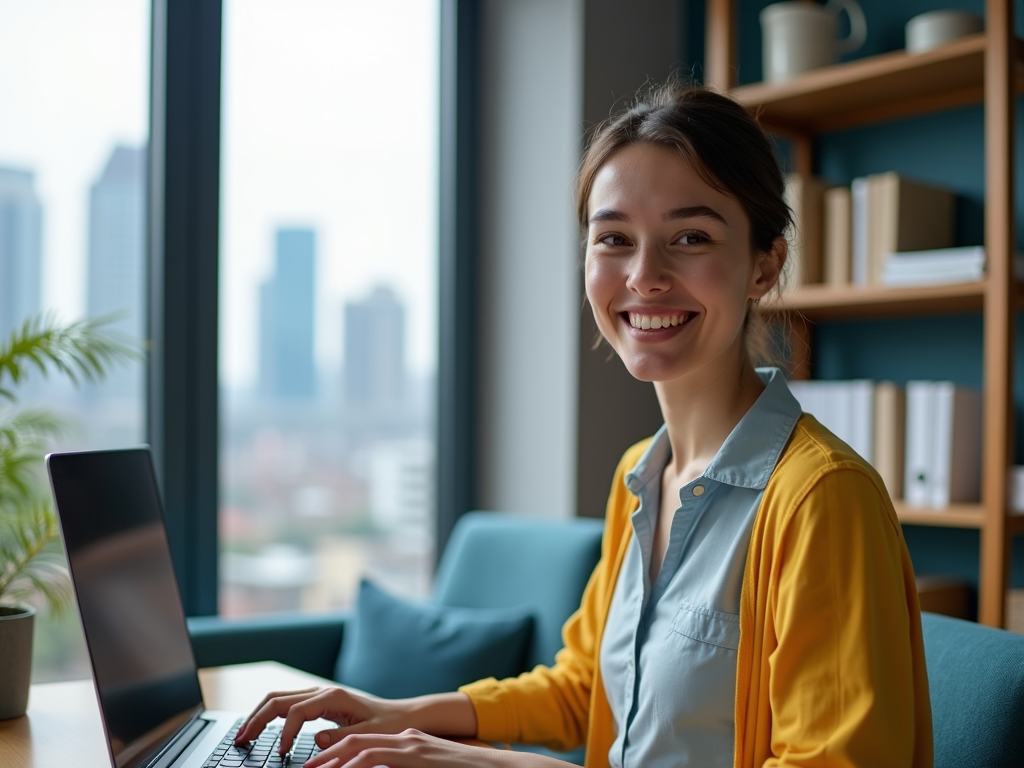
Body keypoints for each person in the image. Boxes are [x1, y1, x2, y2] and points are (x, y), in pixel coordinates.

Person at [233, 80, 933, 768]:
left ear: (763, 264)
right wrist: (400, 713)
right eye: (614, 239)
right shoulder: (641, 475)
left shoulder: (823, 500)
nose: (644, 275)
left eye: (690, 237)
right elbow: (586, 688)